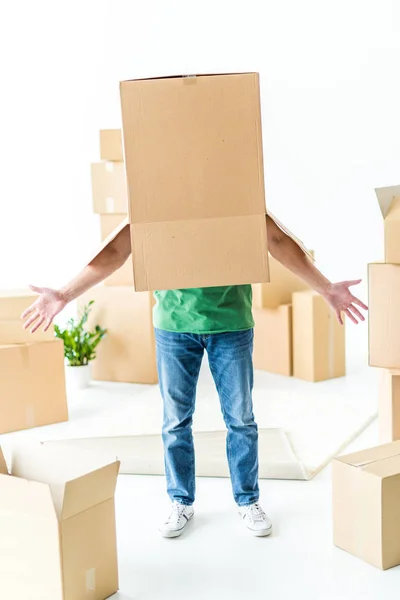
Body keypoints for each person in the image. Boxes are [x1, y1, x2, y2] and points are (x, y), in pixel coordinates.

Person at [21, 215, 367, 538]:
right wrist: (64, 294)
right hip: (174, 326)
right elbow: (116, 249)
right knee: (175, 421)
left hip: (230, 323)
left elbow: (276, 239)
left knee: (241, 419)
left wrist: (325, 288)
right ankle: (181, 501)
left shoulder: (235, 192)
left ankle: (247, 500)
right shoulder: (154, 196)